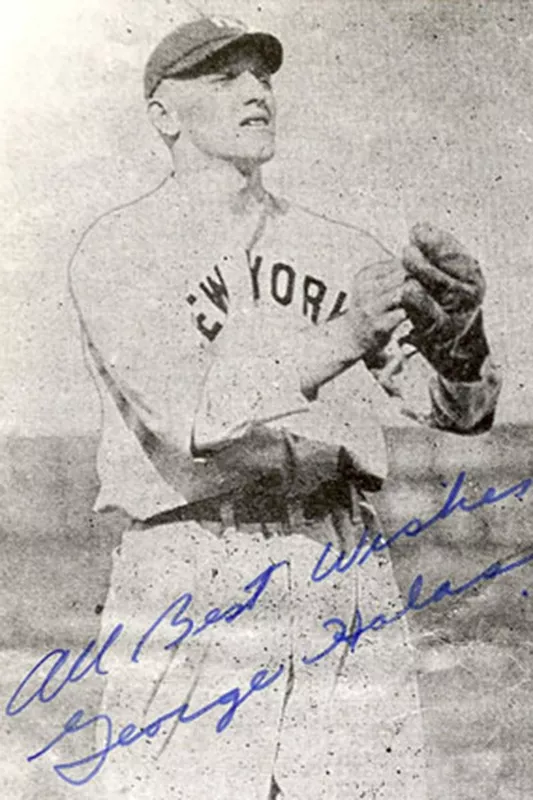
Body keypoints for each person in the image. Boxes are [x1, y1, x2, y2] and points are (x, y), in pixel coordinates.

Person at [68, 15, 501, 800]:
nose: (253, 91)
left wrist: (461, 340)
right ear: (163, 114)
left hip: (337, 554)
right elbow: (186, 423)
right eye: (221, 77)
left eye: (260, 75)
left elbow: (456, 413)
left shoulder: (336, 247)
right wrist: (339, 336)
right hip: (192, 557)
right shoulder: (120, 247)